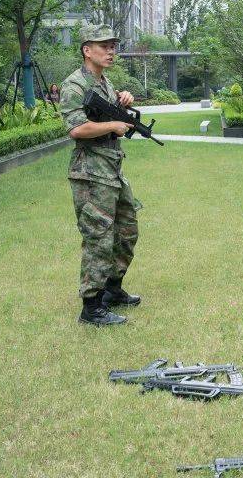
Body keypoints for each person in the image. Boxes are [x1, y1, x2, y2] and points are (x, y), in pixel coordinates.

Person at [59, 24, 143, 327]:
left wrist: (123, 99)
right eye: (104, 46)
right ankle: (91, 307)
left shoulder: (104, 82)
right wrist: (113, 127)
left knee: (127, 229)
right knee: (98, 236)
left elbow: (106, 112)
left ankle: (111, 288)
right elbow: (76, 129)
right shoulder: (74, 85)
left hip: (112, 169)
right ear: (87, 50)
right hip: (90, 173)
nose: (111, 51)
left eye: (113, 46)